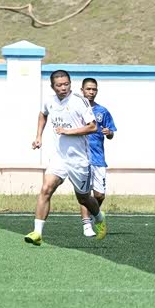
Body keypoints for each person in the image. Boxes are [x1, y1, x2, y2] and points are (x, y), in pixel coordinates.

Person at [24, 70, 107, 246]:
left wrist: (68, 132)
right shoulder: (49, 101)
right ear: (52, 86)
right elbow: (43, 114)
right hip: (59, 157)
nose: (63, 88)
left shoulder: (79, 101)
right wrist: (38, 136)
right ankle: (37, 233)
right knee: (46, 189)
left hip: (79, 159)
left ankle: (99, 218)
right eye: (59, 85)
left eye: (66, 84)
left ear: (70, 84)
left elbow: (92, 127)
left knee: (83, 198)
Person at [79, 78, 117, 237]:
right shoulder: (76, 109)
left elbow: (111, 133)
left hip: (98, 157)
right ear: (82, 90)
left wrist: (109, 133)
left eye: (94, 89)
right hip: (81, 157)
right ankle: (86, 225)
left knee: (99, 195)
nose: (91, 92)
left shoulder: (102, 111)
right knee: (85, 193)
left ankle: (96, 214)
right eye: (88, 89)